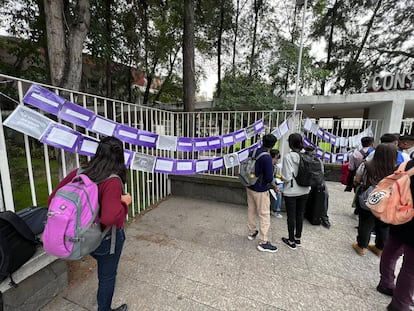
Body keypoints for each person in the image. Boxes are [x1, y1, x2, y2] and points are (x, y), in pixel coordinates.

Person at [48, 136, 131, 311]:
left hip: (82, 236)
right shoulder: (113, 181)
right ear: (119, 156)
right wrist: (124, 202)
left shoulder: (80, 172)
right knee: (107, 277)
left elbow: (52, 199)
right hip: (106, 239)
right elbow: (109, 218)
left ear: (98, 152)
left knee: (103, 271)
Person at [376, 160, 414, 311]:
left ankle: (385, 282)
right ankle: (400, 304)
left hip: (399, 214)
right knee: (411, 267)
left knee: (391, 250)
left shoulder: (409, 164)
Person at [352, 143, 397, 257]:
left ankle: (361, 246)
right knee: (383, 225)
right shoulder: (397, 169)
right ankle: (380, 248)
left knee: (366, 223)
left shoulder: (366, 165)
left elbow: (357, 179)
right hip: (387, 200)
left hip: (369, 198)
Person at [246, 133, 278, 253]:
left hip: (250, 185)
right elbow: (269, 177)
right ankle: (263, 242)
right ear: (273, 145)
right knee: (264, 214)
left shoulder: (253, 152)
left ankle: (252, 232)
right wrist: (274, 186)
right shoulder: (267, 157)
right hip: (260, 189)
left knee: (251, 209)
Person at [280, 133, 311, 250]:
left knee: (291, 216)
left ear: (290, 143)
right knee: (300, 214)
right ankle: (298, 238)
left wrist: (281, 178)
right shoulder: (306, 155)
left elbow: (287, 177)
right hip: (305, 190)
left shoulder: (288, 157)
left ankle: (291, 240)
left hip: (291, 191)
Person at [303, 146, 331, 228]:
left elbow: (321, 173)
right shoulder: (305, 158)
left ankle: (323, 217)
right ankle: (323, 217)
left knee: (324, 195)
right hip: (309, 180)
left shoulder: (317, 160)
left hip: (317, 181)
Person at [270, 149, 283, 218]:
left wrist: (279, 177)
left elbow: (273, 176)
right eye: (277, 159)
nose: (277, 161)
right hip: (268, 184)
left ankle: (276, 210)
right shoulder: (270, 165)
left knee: (280, 187)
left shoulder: (272, 165)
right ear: (275, 156)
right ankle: (275, 210)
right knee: (279, 191)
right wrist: (275, 187)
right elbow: (270, 179)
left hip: (271, 182)